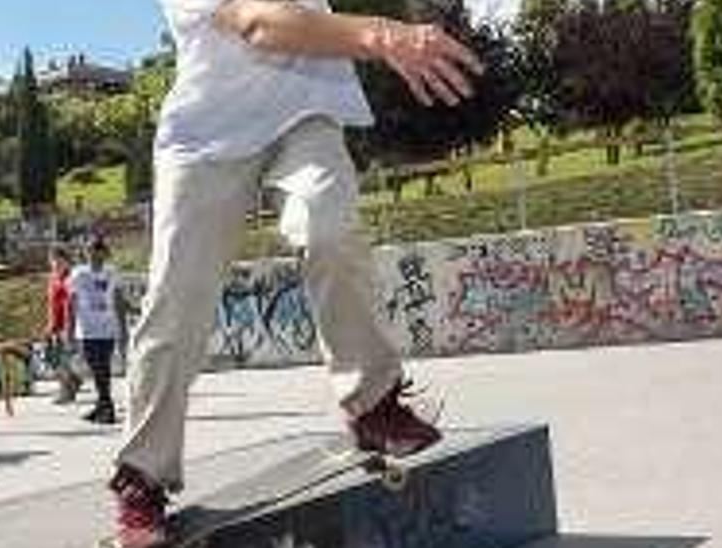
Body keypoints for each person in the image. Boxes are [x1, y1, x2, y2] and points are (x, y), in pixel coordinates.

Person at [106, 1, 484, 545]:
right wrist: (384, 36)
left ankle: (372, 403)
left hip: (303, 114)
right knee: (177, 297)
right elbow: (259, 22)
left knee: (328, 226)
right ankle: (142, 474)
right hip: (205, 138)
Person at [68, 238, 126, 424]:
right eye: (91, 251)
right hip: (86, 329)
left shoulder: (112, 272)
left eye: (98, 251)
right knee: (95, 368)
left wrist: (123, 327)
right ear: (86, 253)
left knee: (103, 368)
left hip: (107, 328)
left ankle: (106, 408)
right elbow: (71, 303)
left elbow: (118, 300)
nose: (94, 255)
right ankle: (103, 405)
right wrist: (69, 329)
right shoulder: (78, 273)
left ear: (104, 253)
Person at [46, 245, 84, 404]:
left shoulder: (71, 278)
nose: (55, 264)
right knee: (53, 359)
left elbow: (72, 304)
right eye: (53, 261)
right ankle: (73, 382)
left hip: (66, 325)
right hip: (55, 323)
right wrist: (49, 324)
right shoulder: (54, 278)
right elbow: (51, 303)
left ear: (66, 261)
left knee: (62, 360)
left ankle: (66, 392)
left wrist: (70, 328)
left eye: (59, 260)